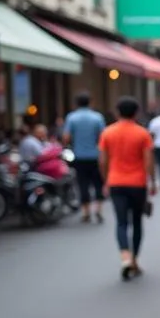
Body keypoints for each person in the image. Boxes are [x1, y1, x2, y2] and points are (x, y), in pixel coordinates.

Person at [98, 96, 155, 281]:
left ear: (117, 112)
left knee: (121, 222)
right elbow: (148, 161)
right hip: (137, 183)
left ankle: (125, 256)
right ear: (136, 112)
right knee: (137, 222)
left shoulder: (107, 132)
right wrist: (152, 182)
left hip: (116, 182)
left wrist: (106, 180)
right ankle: (135, 260)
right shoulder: (142, 133)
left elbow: (103, 161)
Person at [63, 91, 107, 224]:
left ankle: (86, 211)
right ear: (91, 102)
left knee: (82, 184)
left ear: (76, 103)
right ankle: (98, 209)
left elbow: (66, 137)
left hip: (79, 156)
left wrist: (73, 143)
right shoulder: (97, 117)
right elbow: (103, 137)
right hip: (95, 155)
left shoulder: (72, 118)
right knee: (98, 183)